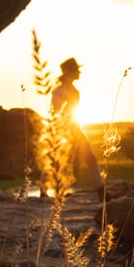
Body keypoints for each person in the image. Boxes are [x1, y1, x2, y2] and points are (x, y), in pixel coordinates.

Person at [50, 58, 106, 200]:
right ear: (70, 72)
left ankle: (102, 193)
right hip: (67, 130)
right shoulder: (60, 91)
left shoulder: (67, 90)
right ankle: (102, 194)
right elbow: (55, 113)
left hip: (72, 128)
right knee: (64, 161)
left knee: (83, 159)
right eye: (77, 70)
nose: (80, 72)